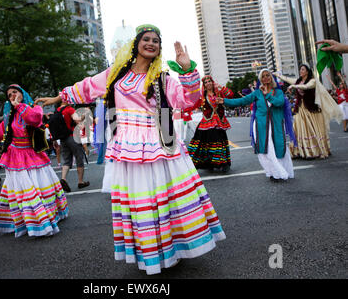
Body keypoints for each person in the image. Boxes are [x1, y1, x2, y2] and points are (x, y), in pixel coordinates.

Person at [36, 24, 226, 275]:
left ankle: (172, 248)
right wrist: (58, 98)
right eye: (146, 39)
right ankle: (150, 249)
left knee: (165, 198)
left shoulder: (163, 78)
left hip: (158, 143)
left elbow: (188, 100)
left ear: (159, 49)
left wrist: (188, 69)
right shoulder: (116, 74)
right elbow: (87, 87)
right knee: (140, 201)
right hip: (128, 145)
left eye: (156, 41)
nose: (151, 43)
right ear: (136, 44)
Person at [0, 84, 68, 237]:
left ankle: (41, 220)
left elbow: (35, 120)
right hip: (14, 157)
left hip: (32, 155)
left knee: (37, 187)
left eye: (15, 92)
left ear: (22, 93)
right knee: (21, 190)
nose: (12, 96)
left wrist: (19, 106)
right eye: (9, 94)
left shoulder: (34, 107)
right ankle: (25, 220)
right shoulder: (9, 115)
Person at [218, 69, 295, 181]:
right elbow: (241, 101)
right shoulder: (257, 93)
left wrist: (267, 95)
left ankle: (283, 170)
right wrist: (224, 101)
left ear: (271, 77)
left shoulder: (278, 92)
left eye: (267, 75)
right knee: (267, 149)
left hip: (276, 125)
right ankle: (273, 173)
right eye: (263, 76)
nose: (265, 78)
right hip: (262, 126)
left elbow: (279, 103)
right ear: (260, 79)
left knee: (279, 147)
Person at [274, 64, 342, 159]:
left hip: (311, 110)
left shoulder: (313, 81)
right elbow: (288, 79)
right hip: (300, 109)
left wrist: (293, 86)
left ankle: (313, 151)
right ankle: (300, 151)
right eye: (300, 69)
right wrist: (278, 75)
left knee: (312, 129)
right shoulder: (298, 81)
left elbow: (306, 87)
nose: (301, 71)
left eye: (302, 69)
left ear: (307, 71)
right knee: (297, 128)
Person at [188, 75, 234, 172]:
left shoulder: (219, 93)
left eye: (209, 81)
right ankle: (208, 163)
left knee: (219, 142)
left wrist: (221, 87)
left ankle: (223, 163)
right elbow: (191, 104)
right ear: (204, 85)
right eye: (206, 82)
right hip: (207, 122)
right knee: (204, 143)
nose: (208, 83)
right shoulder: (202, 97)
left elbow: (230, 95)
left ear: (212, 82)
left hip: (219, 122)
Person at [55, 98, 88, 192]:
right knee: (79, 158)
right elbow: (77, 121)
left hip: (63, 138)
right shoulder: (69, 109)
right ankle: (80, 182)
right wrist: (84, 115)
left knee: (67, 160)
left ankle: (63, 178)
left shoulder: (57, 110)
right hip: (72, 136)